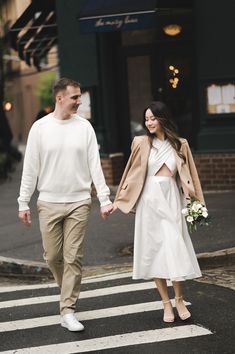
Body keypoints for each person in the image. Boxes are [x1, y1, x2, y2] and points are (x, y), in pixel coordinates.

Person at [18, 77, 113, 331]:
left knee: (73, 257)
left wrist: (104, 198)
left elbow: (95, 164)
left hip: (79, 202)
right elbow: (30, 168)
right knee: (52, 257)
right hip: (48, 201)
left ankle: (68, 309)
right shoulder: (39, 128)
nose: (79, 101)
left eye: (79, 97)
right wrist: (23, 202)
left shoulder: (85, 128)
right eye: (74, 97)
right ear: (59, 98)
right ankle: (67, 291)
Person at [113, 101, 204, 323]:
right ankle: (166, 303)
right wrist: (119, 201)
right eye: (146, 119)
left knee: (175, 248)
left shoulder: (180, 144)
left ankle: (179, 299)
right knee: (154, 251)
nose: (149, 123)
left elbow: (191, 176)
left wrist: (197, 204)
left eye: (153, 118)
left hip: (172, 199)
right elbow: (130, 175)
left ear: (163, 118)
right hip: (149, 201)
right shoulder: (141, 143)